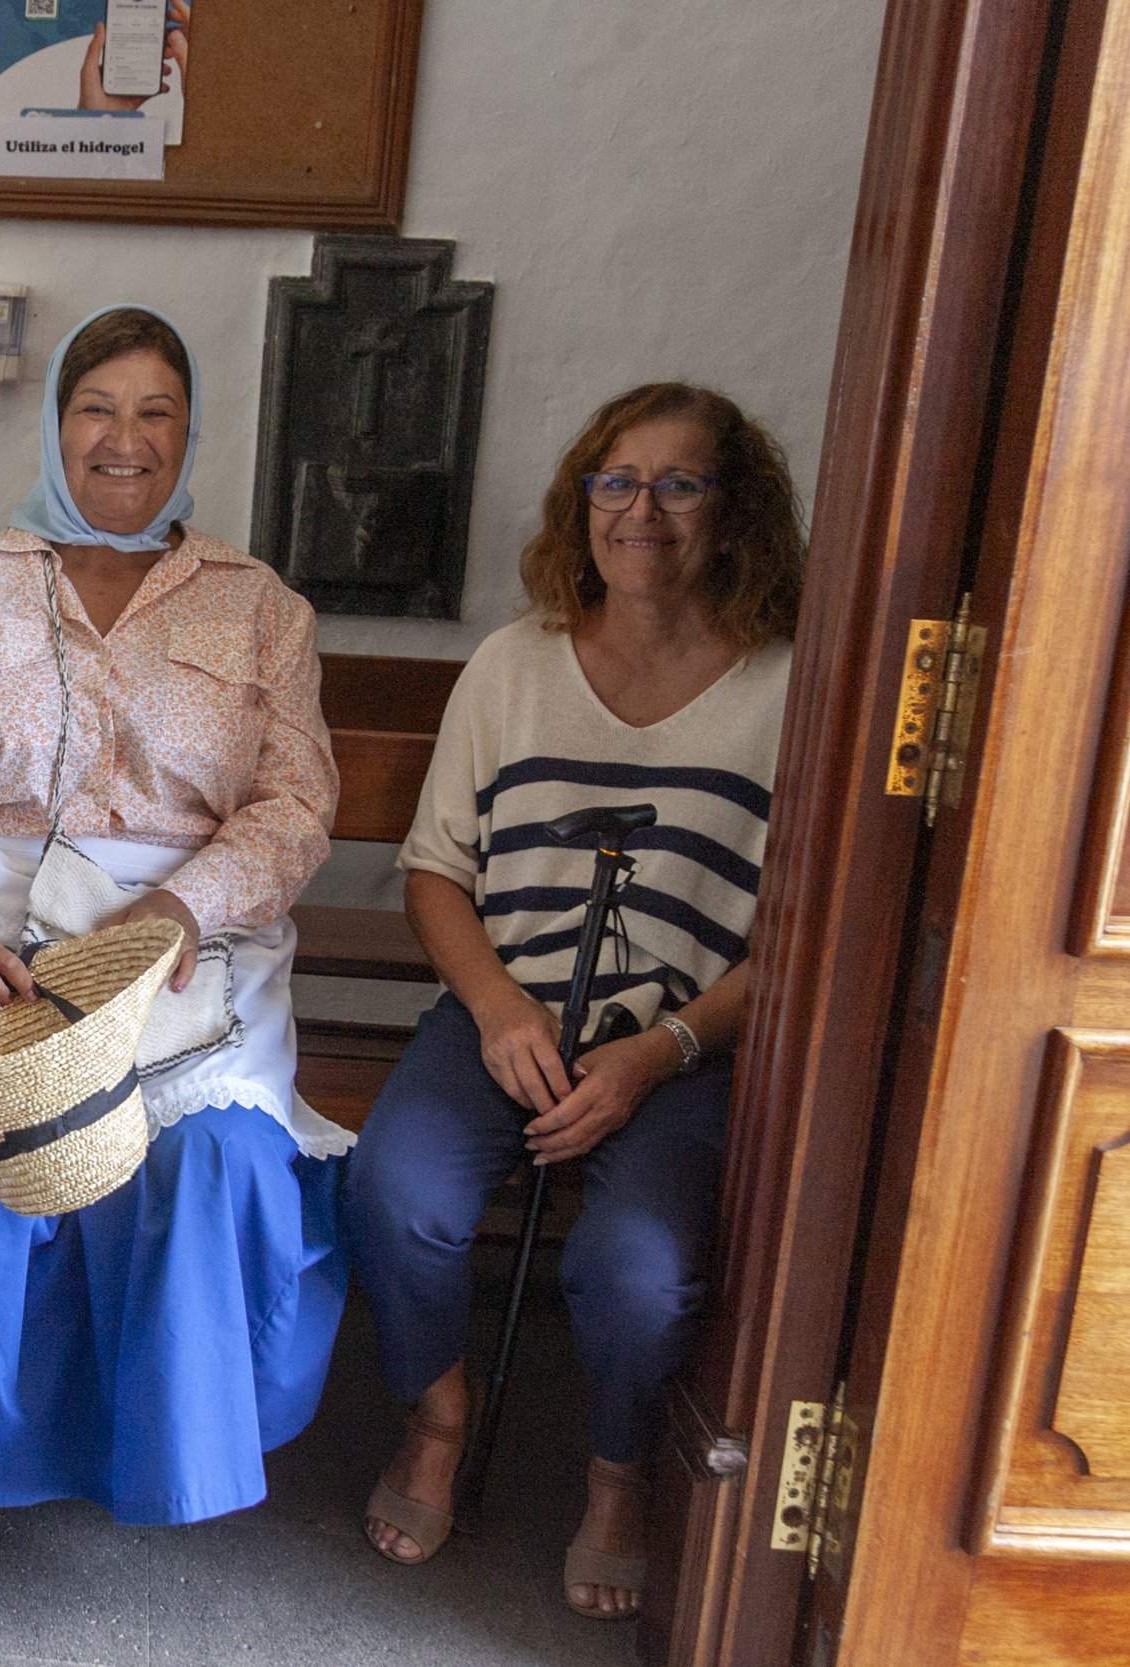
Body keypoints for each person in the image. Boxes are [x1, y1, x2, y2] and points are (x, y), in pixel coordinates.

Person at [0, 305, 348, 1529]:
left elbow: (297, 804)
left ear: (189, 435)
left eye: (156, 412)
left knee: (211, 1153)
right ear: (54, 424)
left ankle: (154, 1451)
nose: (123, 438)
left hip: (184, 925)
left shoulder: (260, 607)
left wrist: (177, 906)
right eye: (96, 407)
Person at [344, 382, 804, 1620]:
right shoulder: (514, 663)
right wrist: (496, 1009)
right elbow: (438, 866)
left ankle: (614, 1471)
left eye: (678, 483)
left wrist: (656, 1053)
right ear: (580, 500)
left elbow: (803, 936)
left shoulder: (787, 687)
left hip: (681, 1046)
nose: (637, 510)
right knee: (396, 1190)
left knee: (638, 1269)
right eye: (614, 480)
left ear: (733, 509)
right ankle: (437, 1418)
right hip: (506, 1014)